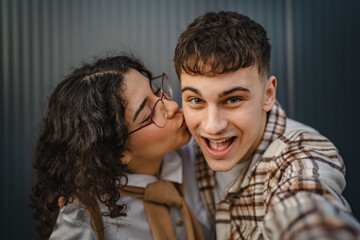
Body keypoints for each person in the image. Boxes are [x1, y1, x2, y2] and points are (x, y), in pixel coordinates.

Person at [173, 11, 360, 239]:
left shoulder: (302, 151)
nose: (212, 127)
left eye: (233, 100)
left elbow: (308, 210)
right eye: (196, 100)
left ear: (268, 94)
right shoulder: (178, 150)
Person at [30, 55, 212, 240]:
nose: (173, 105)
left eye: (157, 93)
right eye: (149, 114)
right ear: (118, 152)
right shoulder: (85, 219)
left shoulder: (205, 151)